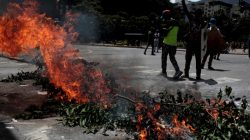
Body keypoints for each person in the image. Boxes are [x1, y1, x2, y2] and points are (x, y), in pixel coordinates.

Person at [182, 0, 207, 80]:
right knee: (194, 60)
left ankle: (190, 74)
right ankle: (195, 75)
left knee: (190, 59)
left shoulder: (199, 21)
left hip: (193, 43)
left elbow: (186, 10)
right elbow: (186, 10)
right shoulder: (201, 21)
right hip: (195, 43)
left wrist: (183, 2)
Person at [161, 9, 183, 79]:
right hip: (174, 43)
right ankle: (177, 70)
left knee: (164, 58)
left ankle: (164, 72)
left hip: (167, 42)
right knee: (172, 58)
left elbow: (163, 33)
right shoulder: (176, 22)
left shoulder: (167, 22)